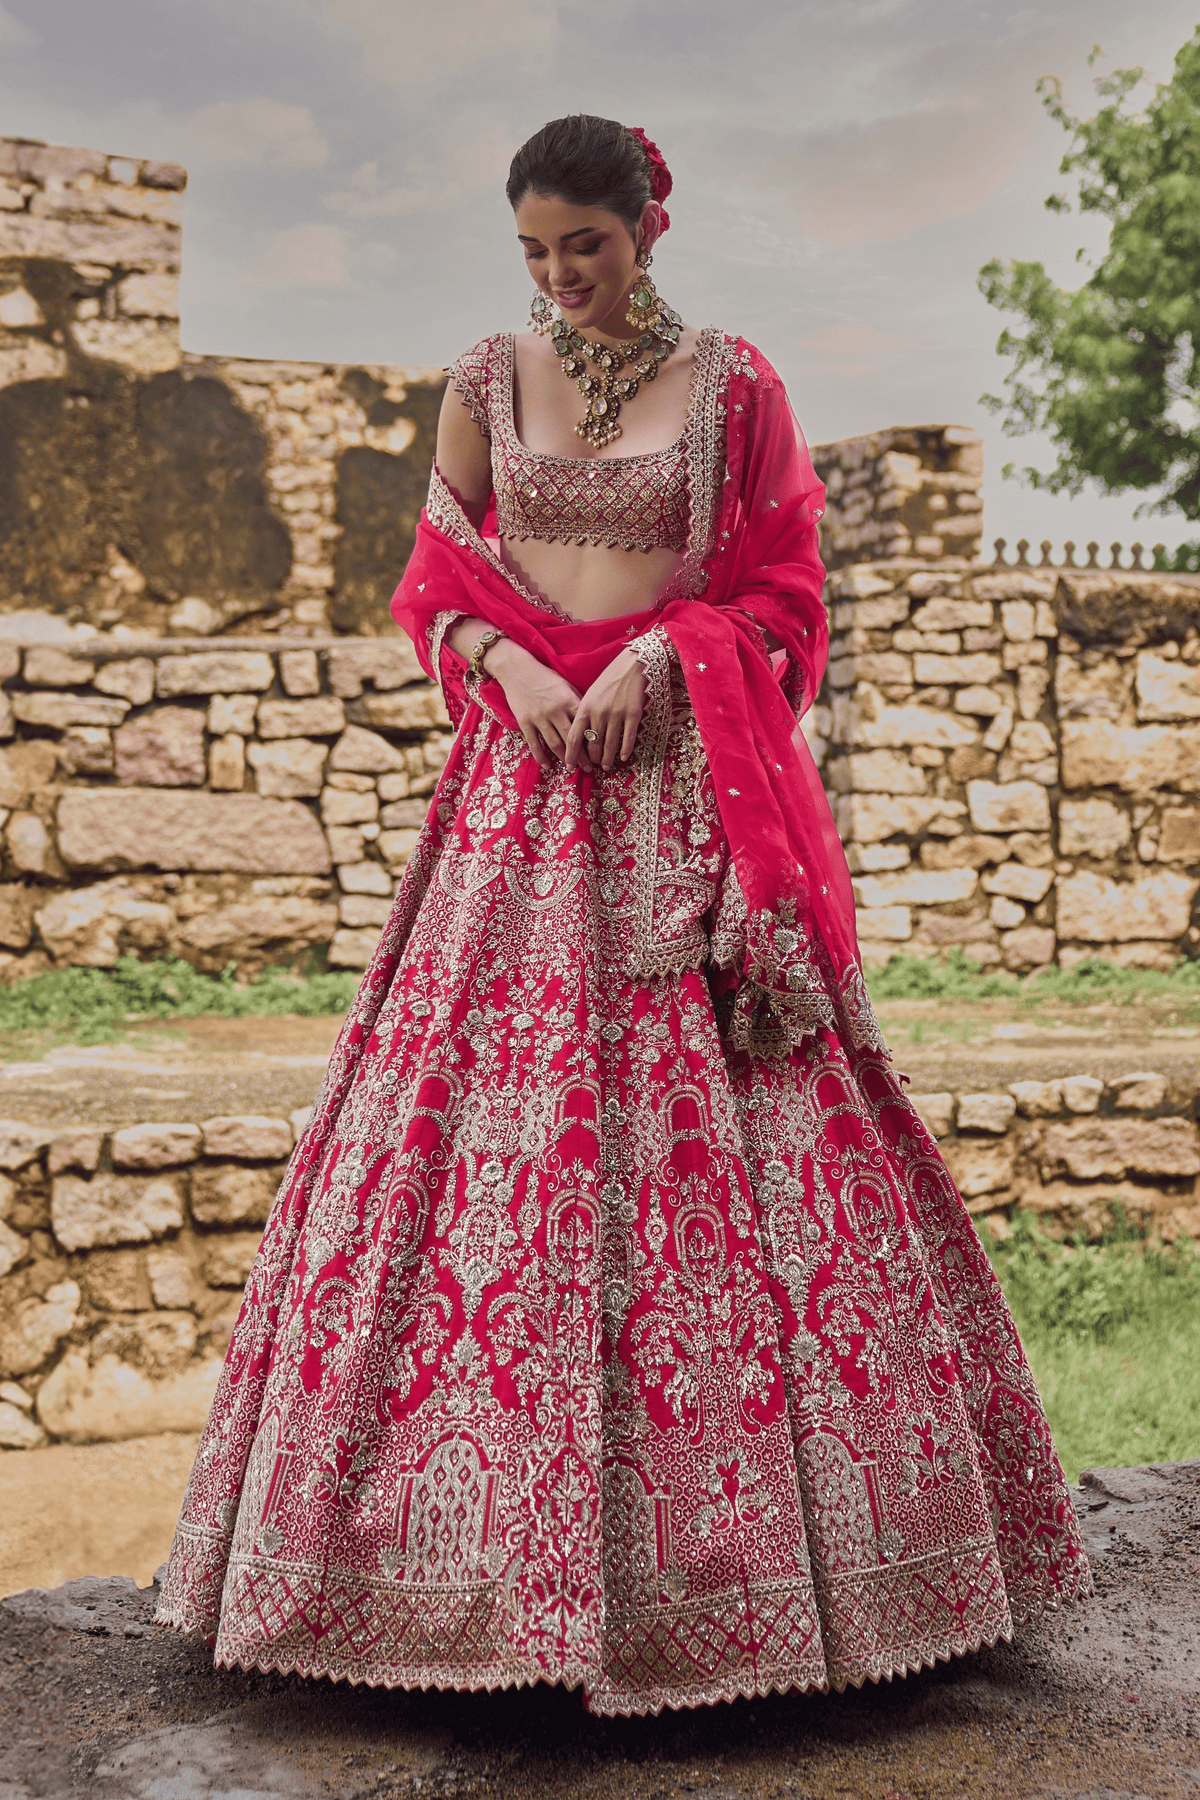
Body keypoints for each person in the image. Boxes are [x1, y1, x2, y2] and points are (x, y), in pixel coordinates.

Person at [156, 115, 1089, 1716]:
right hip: (517, 803)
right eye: (532, 251)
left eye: (582, 244)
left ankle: (780, 1590)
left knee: (734, 1152)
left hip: (672, 798)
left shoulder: (738, 388)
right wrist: (510, 665)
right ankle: (431, 1588)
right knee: (467, 1155)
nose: (558, 277)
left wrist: (669, 655)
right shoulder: (479, 379)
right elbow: (436, 584)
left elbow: (788, 596)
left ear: (650, 222)